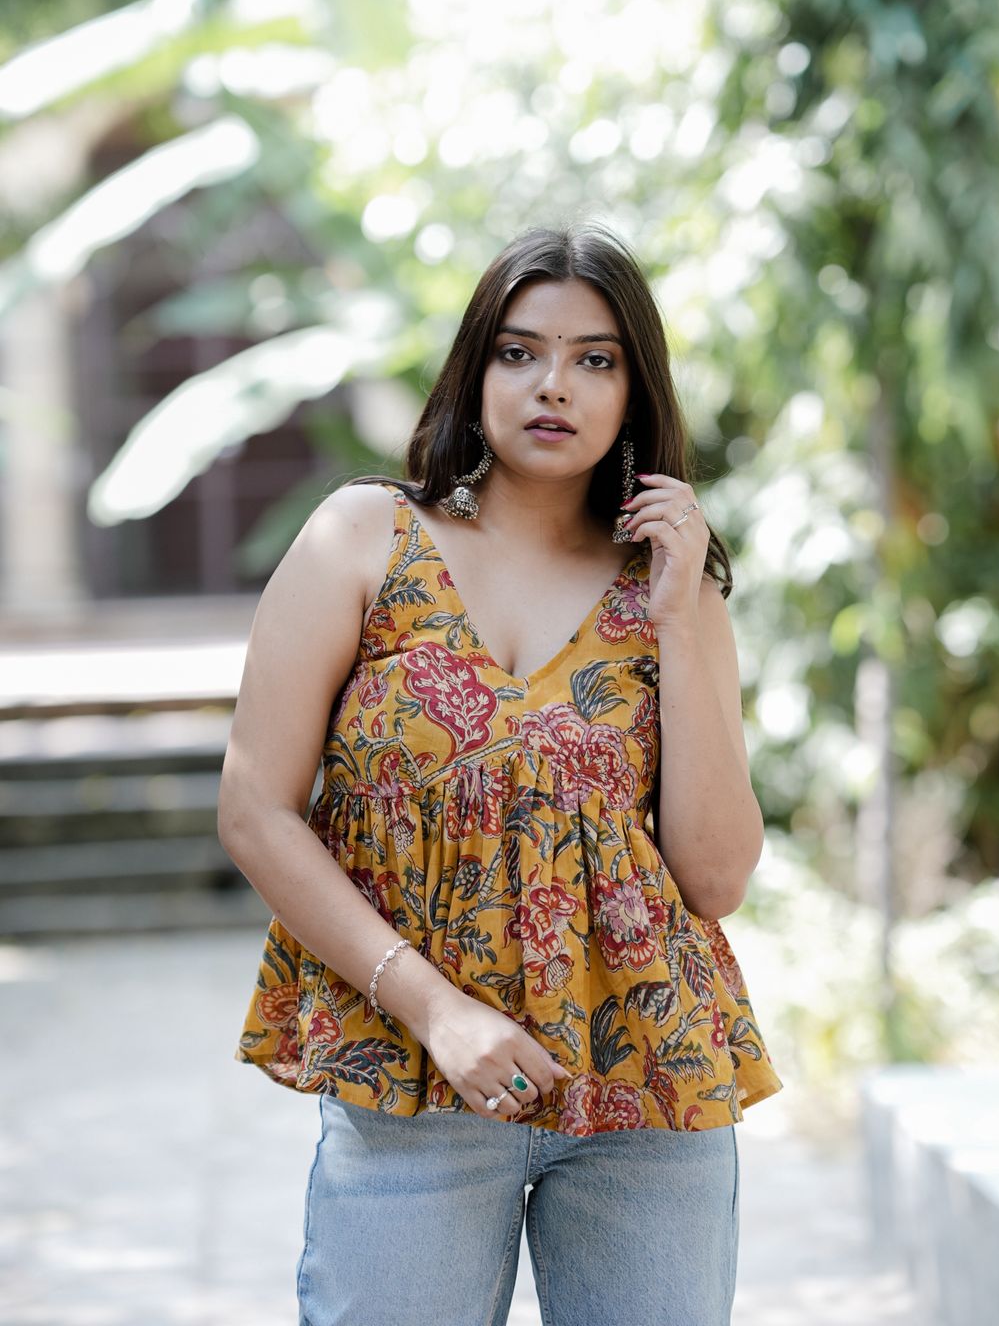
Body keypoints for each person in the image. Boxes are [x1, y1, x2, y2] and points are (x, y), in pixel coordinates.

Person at [218, 219, 783, 1326]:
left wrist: (679, 621)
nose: (553, 385)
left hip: (645, 1098)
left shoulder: (672, 590)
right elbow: (256, 810)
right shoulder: (365, 539)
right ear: (475, 372)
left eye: (595, 358)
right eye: (519, 352)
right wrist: (438, 1011)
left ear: (635, 390)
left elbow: (713, 877)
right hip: (411, 1087)